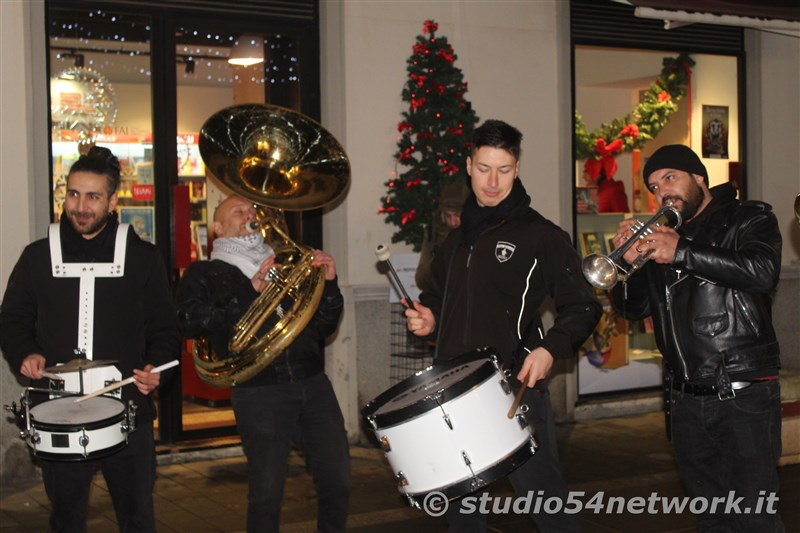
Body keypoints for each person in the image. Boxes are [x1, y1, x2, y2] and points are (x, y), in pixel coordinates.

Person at [404, 119, 602, 532]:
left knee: (546, 503)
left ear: (517, 168)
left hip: (514, 390)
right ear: (468, 164)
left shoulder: (540, 235)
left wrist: (550, 349)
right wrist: (428, 319)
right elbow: (436, 301)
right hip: (454, 397)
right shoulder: (458, 241)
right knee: (462, 513)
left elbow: (583, 305)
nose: (492, 182)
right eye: (483, 169)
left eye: (504, 170)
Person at [0, 146, 181, 532]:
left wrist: (155, 368)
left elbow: (165, 330)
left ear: (114, 200)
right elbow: (12, 318)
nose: (81, 206)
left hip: (128, 412)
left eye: (93, 196)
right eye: (73, 194)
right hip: (58, 411)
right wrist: (25, 352)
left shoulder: (143, 257)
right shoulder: (36, 256)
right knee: (66, 519)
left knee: (137, 519)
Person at [609, 144, 783, 531]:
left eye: (670, 178)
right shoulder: (662, 237)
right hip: (686, 401)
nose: (662, 193)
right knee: (712, 519)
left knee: (756, 519)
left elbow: (762, 271)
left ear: (699, 179)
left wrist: (682, 251)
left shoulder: (747, 217)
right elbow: (630, 309)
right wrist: (628, 263)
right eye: (653, 187)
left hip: (743, 394)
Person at [175, 195, 350, 533]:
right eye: (237, 211)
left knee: (337, 481)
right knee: (267, 496)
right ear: (217, 227)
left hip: (312, 384)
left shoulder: (285, 264)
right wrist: (249, 292)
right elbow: (186, 320)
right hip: (260, 393)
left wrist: (328, 284)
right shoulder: (205, 272)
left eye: (252, 211)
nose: (249, 215)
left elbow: (323, 326)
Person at [415, 181, 470, 293]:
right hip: (440, 299)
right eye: (448, 216)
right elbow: (420, 280)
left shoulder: (477, 232)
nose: (453, 222)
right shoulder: (433, 234)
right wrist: (440, 256)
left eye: (457, 215)